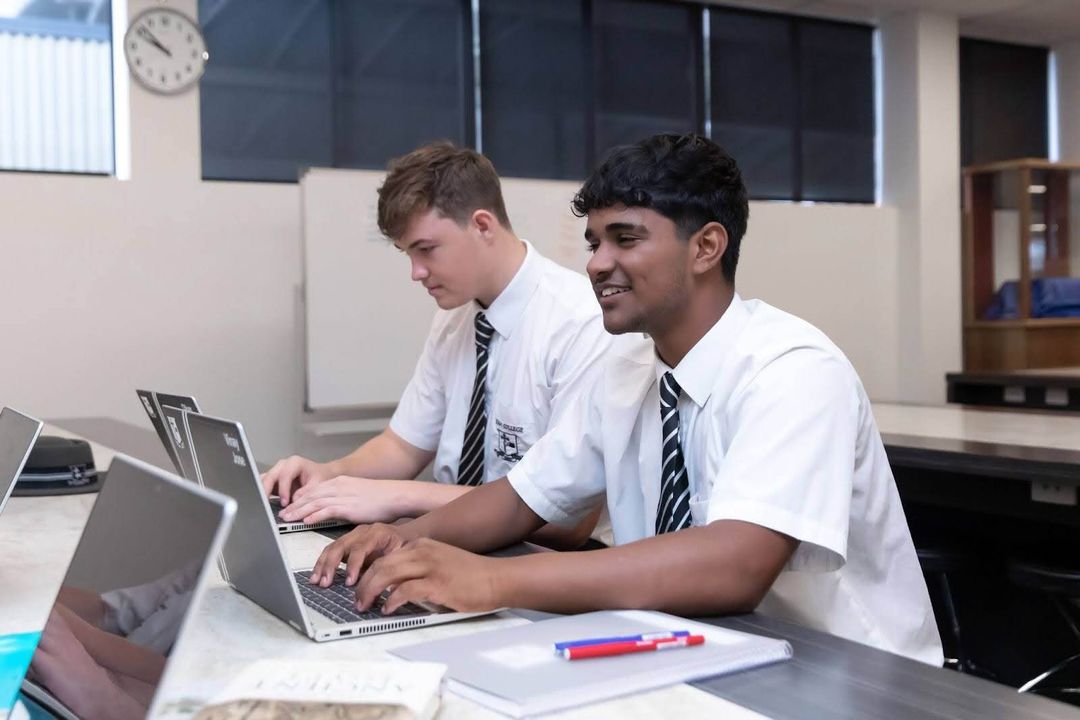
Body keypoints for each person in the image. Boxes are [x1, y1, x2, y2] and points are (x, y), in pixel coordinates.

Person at [307, 133, 944, 665]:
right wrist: (400, 539)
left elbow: (735, 565)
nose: (596, 263)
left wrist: (492, 579)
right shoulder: (628, 368)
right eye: (594, 243)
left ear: (706, 247)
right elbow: (522, 498)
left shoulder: (792, 370)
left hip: (839, 670)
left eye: (625, 239)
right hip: (687, 644)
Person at [262, 142, 610, 549]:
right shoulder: (456, 317)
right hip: (451, 545)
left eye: (426, 250)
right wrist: (329, 474)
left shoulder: (582, 322)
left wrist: (399, 496)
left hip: (542, 558)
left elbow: (568, 519)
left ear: (483, 226)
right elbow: (401, 447)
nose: (416, 272)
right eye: (408, 253)